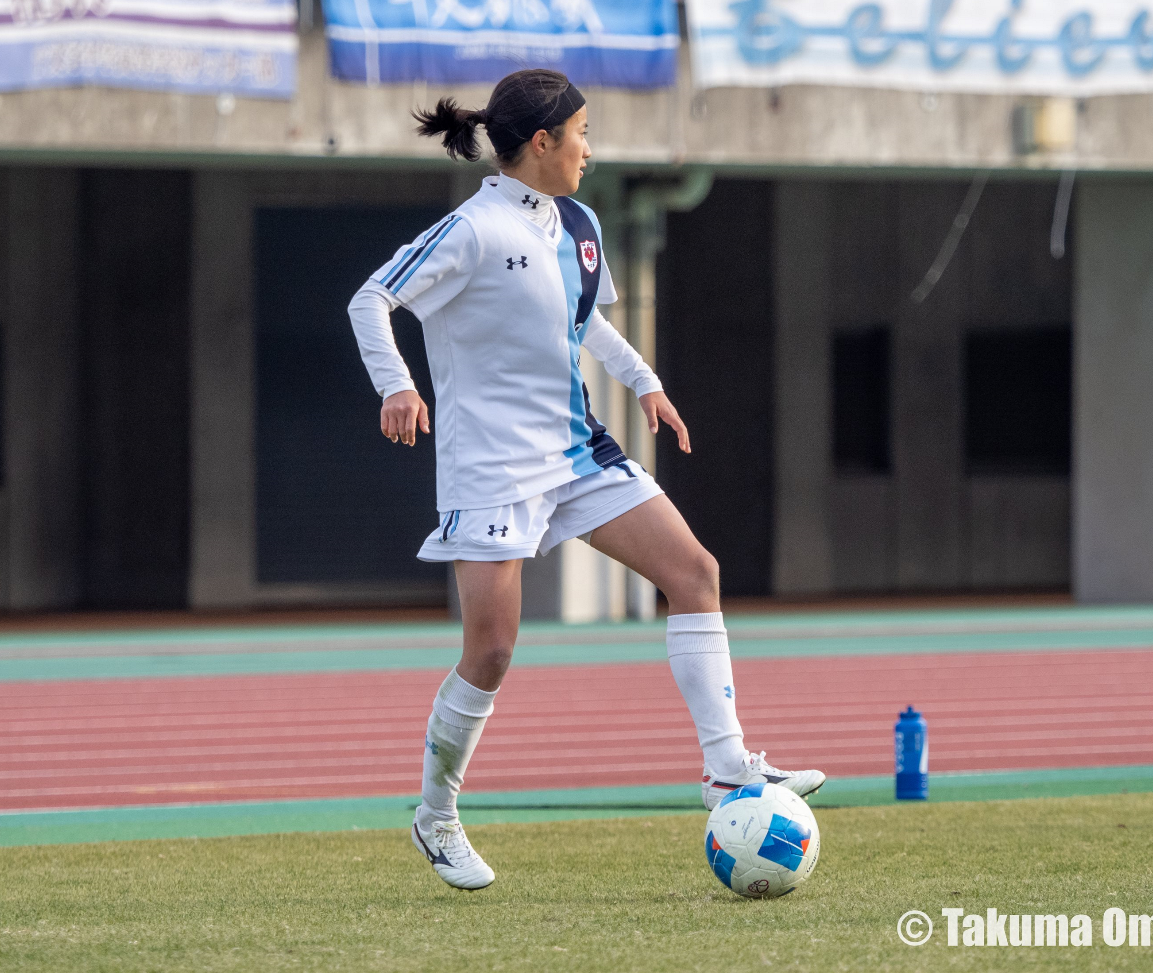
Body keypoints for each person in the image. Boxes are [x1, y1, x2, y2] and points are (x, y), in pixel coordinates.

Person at [347, 69, 825, 891]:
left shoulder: (577, 222)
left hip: (576, 452)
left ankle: (726, 770)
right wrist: (396, 384)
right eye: (583, 134)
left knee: (695, 573)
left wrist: (645, 383)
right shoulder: (472, 228)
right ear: (542, 143)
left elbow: (587, 315)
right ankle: (437, 815)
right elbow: (370, 299)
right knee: (491, 652)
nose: (589, 151)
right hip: (491, 468)